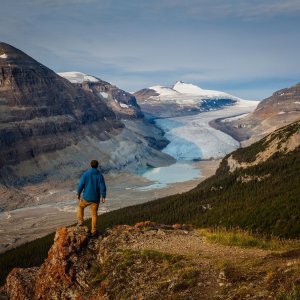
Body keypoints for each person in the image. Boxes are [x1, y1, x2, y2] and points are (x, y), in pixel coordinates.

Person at [77, 160, 106, 237]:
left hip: (86, 197)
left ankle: (80, 221)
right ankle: (94, 230)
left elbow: (81, 185)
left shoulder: (86, 174)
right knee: (94, 214)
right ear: (97, 166)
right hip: (96, 198)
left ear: (90, 165)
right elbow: (102, 186)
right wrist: (103, 196)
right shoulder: (100, 175)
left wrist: (78, 193)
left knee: (80, 206)